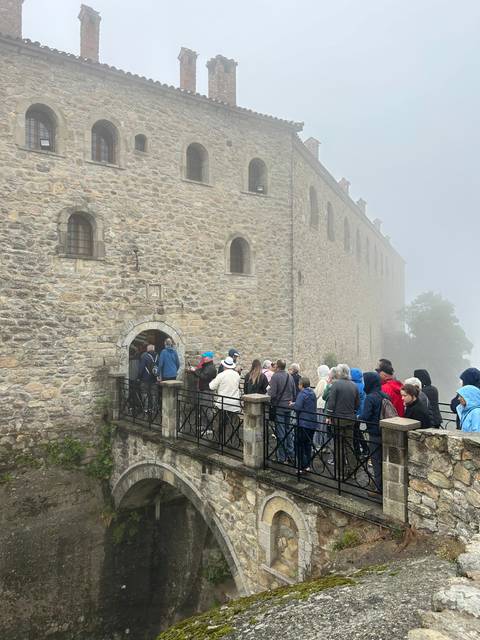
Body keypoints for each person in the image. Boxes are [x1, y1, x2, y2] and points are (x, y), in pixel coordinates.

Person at [325, 364, 360, 472]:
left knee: (338, 445)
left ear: (340, 373)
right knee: (349, 444)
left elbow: (331, 402)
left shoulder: (336, 385)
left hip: (338, 419)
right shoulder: (354, 385)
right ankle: (353, 468)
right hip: (350, 419)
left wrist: (328, 416)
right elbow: (357, 404)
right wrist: (352, 412)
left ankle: (339, 469)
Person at [358, 372, 389, 491]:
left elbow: (365, 416)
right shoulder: (385, 395)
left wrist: (357, 418)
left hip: (375, 433)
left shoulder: (370, 398)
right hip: (385, 431)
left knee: (376, 461)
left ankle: (378, 488)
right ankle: (384, 485)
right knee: (384, 460)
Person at [268, 359, 297, 463]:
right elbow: (294, 392)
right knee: (288, 430)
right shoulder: (290, 376)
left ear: (278, 366)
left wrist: (268, 393)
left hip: (279, 407)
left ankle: (282, 457)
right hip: (288, 406)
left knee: (281, 432)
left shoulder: (275, 376)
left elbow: (272, 394)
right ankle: (291, 455)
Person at [209, 357, 242, 442]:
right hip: (234, 404)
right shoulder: (237, 375)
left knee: (218, 423)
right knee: (231, 425)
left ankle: (218, 441)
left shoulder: (221, 375)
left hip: (223, 404)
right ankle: (230, 442)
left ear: (224, 365)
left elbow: (211, 386)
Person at [291, 376, 317, 472]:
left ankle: (302, 465)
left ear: (301, 385)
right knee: (307, 444)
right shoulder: (312, 393)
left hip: (303, 423)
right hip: (312, 422)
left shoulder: (302, 394)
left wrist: (293, 405)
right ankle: (307, 465)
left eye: (298, 384)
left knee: (298, 443)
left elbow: (298, 408)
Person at [137, 344, 159, 416]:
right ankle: (153, 409)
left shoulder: (144, 356)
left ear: (147, 349)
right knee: (154, 394)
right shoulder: (157, 356)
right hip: (154, 378)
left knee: (144, 393)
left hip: (145, 378)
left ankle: (146, 408)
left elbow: (141, 368)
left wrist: (138, 377)